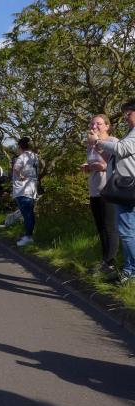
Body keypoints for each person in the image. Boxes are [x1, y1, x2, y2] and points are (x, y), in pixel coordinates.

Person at [90, 99, 135, 283]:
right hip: (124, 187)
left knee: (126, 231)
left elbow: (121, 149)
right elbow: (114, 158)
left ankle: (131, 273)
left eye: (128, 113)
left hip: (127, 188)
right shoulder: (130, 133)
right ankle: (128, 270)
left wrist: (98, 141)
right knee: (127, 230)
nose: (125, 117)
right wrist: (97, 146)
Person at [83, 114, 118, 276]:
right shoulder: (90, 143)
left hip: (109, 190)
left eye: (98, 123)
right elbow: (93, 162)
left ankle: (111, 264)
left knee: (110, 227)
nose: (94, 126)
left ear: (107, 126)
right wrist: (88, 166)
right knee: (101, 227)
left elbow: (115, 164)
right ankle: (105, 261)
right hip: (94, 189)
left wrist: (102, 167)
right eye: (92, 123)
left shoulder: (113, 141)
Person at [12, 137, 39, 246]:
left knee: (27, 214)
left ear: (20, 146)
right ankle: (29, 235)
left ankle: (28, 237)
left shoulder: (22, 157)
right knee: (30, 213)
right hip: (32, 188)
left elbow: (16, 168)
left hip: (22, 189)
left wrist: (20, 176)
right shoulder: (35, 156)